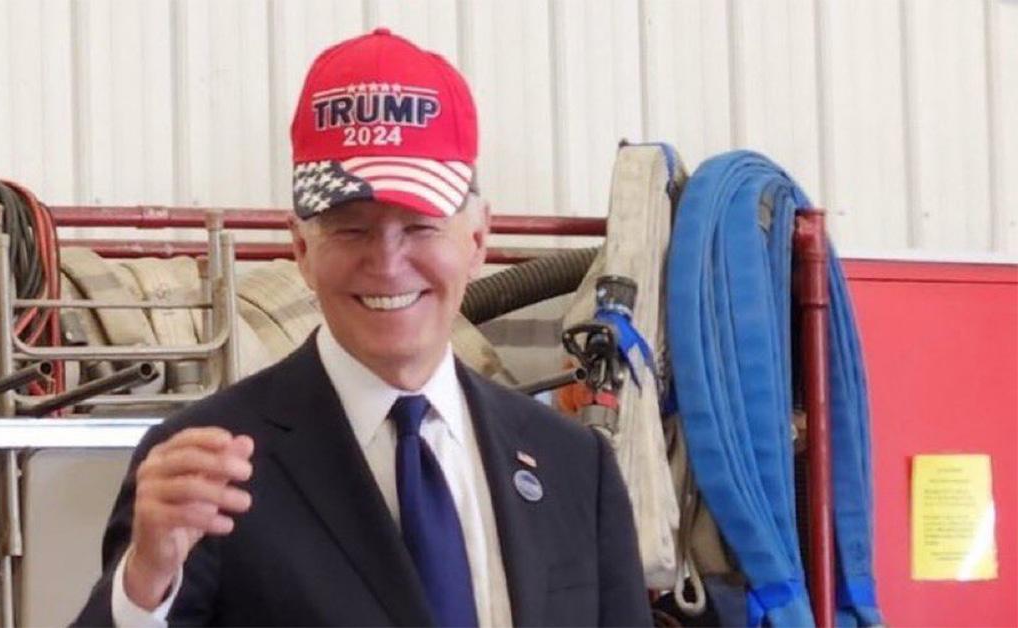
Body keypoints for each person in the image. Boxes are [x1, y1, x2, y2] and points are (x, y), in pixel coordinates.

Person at [74, 28, 651, 627]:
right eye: (350, 229)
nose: (387, 261)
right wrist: (145, 583)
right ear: (300, 247)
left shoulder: (575, 467)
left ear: (478, 239)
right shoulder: (209, 466)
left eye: (420, 227)